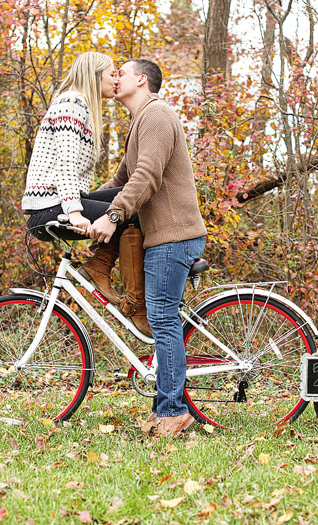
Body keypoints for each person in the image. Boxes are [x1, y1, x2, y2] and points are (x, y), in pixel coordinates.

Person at [89, 59, 207, 437]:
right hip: (164, 237)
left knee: (162, 318)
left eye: (120, 72)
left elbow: (147, 176)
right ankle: (163, 410)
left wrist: (112, 215)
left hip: (174, 237)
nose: (114, 78)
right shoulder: (141, 121)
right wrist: (80, 208)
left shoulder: (156, 115)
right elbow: (121, 180)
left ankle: (173, 411)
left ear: (141, 79)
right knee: (159, 318)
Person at [21, 51, 151, 336]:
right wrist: (75, 212)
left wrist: (89, 203)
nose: (116, 80)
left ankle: (99, 267)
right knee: (131, 212)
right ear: (95, 76)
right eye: (112, 73)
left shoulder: (82, 107)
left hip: (61, 200)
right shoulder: (72, 103)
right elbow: (64, 166)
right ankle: (135, 303)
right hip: (49, 206)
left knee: (132, 199)